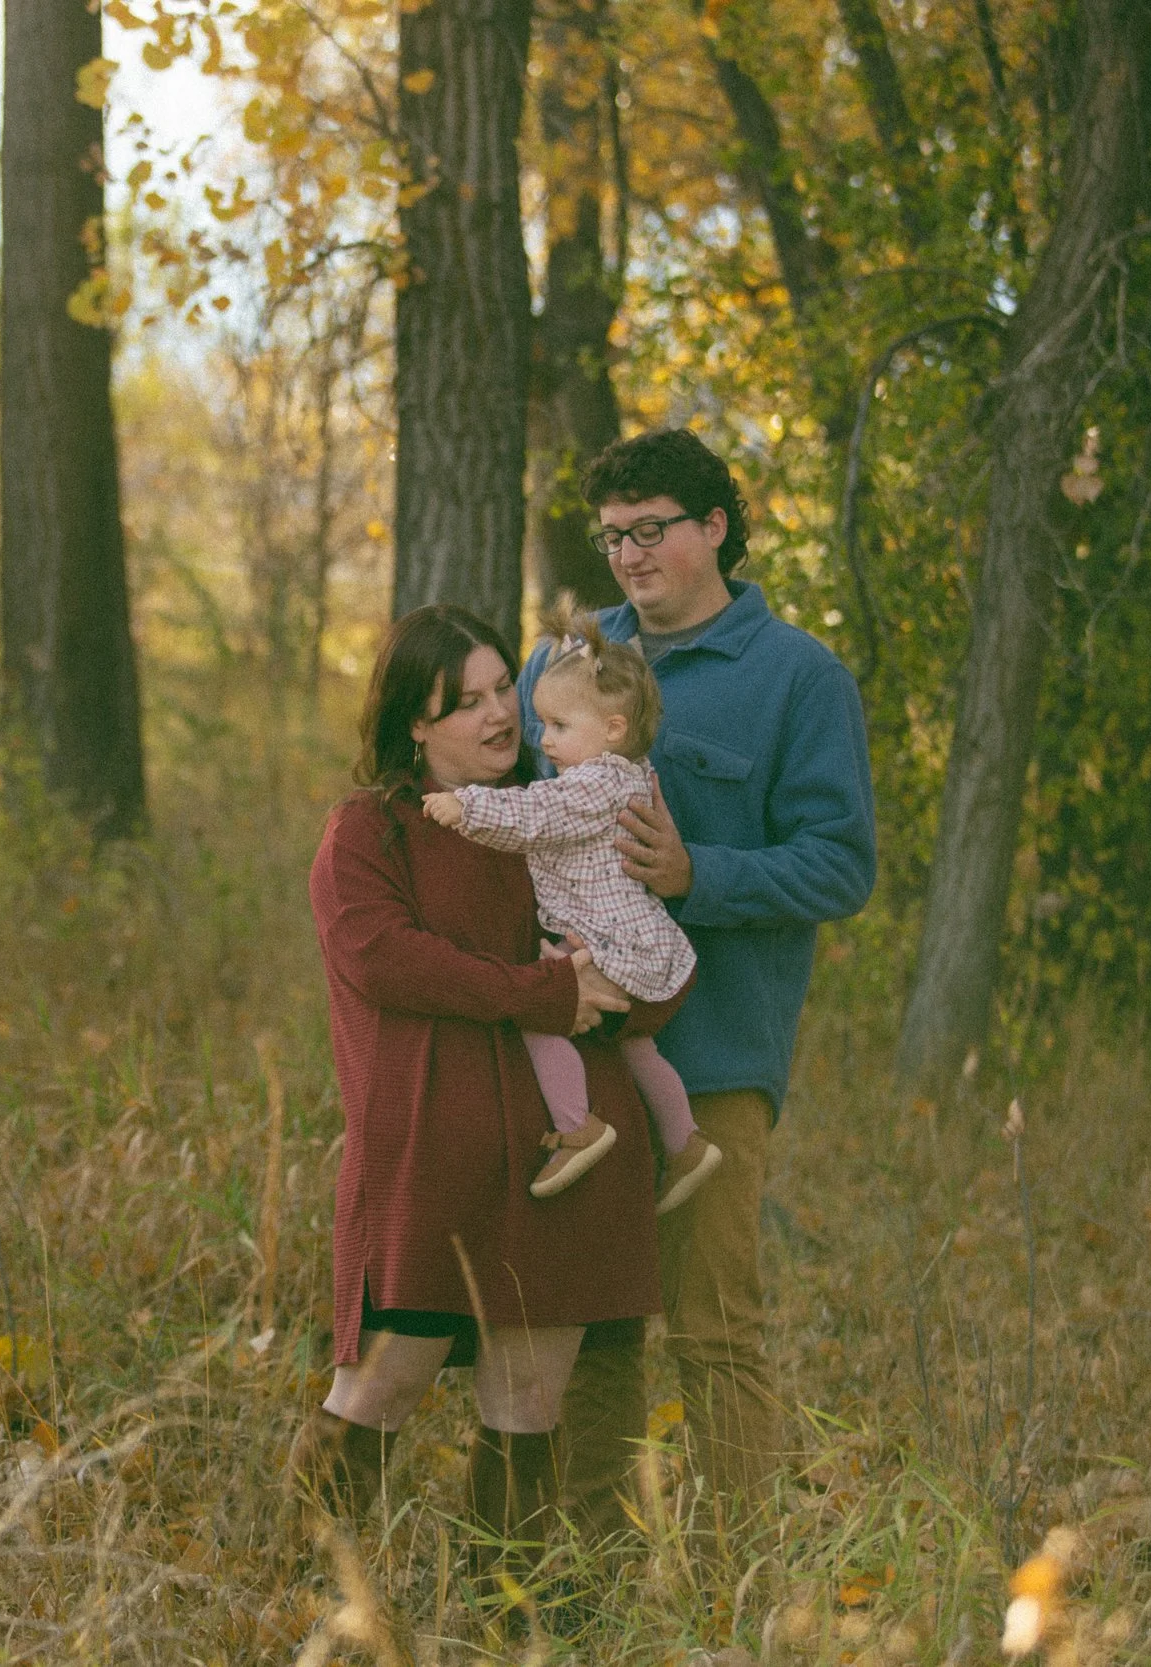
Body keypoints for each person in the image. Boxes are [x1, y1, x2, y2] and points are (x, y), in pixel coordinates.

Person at [529, 428, 877, 1541]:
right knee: (592, 1325)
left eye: (651, 529)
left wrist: (699, 874)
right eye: (612, 535)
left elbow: (840, 860)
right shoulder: (566, 663)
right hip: (575, 1054)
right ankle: (592, 1587)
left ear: (715, 524)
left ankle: (741, 1596)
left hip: (715, 1056)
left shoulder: (799, 679)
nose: (628, 554)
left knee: (715, 1325)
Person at [291, 603, 684, 1580]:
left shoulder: (559, 817)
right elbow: (390, 961)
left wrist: (618, 976)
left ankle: (499, 1629)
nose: (495, 714)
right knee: (377, 1390)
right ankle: (297, 1606)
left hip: (567, 1168)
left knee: (526, 1408)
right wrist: (546, 989)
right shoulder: (369, 829)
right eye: (460, 701)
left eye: (500, 687)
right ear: (412, 723)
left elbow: (630, 970)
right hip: (434, 1164)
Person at [420, 609, 720, 1209]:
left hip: (620, 948)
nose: (543, 740)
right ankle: (685, 1141)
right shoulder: (627, 773)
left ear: (612, 729)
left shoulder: (593, 783)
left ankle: (577, 1125)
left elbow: (536, 816)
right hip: (644, 953)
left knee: (545, 1007)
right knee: (637, 1046)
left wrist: (467, 809)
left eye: (558, 725)